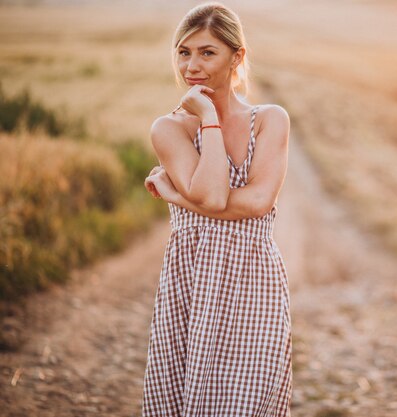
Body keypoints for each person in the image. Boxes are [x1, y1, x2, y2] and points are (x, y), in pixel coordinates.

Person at [141, 2, 292, 416]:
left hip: (253, 282)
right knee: (186, 402)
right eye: (184, 52)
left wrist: (176, 195)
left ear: (236, 56)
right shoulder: (169, 129)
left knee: (248, 404)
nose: (192, 65)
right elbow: (213, 196)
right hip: (192, 281)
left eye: (208, 52)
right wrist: (208, 118)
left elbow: (260, 202)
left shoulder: (270, 119)